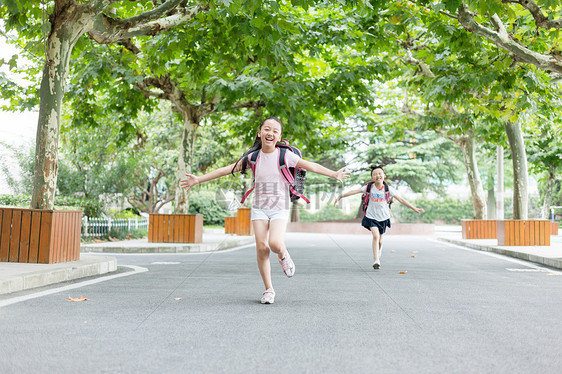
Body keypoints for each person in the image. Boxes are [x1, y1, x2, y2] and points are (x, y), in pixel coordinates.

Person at [180, 117, 350, 304]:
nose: (270, 133)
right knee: (262, 248)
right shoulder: (252, 158)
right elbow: (225, 170)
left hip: (279, 207)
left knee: (275, 244)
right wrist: (198, 179)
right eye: (267, 129)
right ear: (259, 133)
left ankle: (284, 255)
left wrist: (334, 174)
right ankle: (269, 289)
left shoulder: (286, 156)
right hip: (259, 207)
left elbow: (312, 166)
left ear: (279, 137)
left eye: (275, 131)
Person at [334, 165, 424, 270]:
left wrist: (414, 208)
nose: (377, 176)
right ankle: (376, 260)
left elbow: (401, 200)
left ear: (384, 175)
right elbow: (354, 191)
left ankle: (378, 251)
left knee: (381, 241)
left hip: (384, 217)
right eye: (375, 174)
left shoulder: (388, 189)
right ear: (372, 178)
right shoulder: (368, 188)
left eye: (379, 173)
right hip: (371, 217)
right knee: (376, 236)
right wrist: (340, 196)